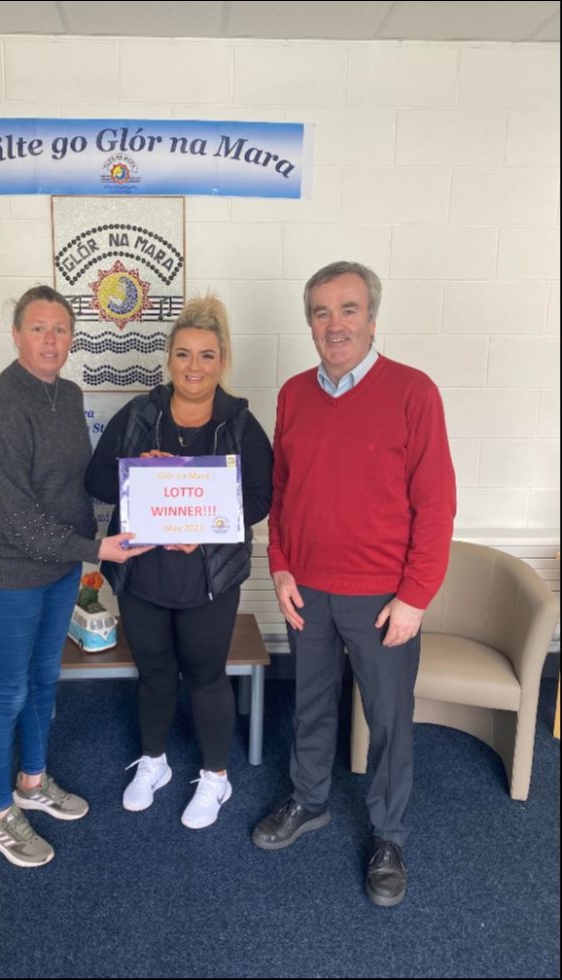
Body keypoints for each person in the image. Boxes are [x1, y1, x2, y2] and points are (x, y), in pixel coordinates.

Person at [251, 262, 456, 907]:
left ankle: (389, 836)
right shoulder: (291, 395)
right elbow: (283, 492)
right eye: (321, 312)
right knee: (310, 704)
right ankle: (309, 800)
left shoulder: (413, 393)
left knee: (390, 719)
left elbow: (437, 504)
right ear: (309, 323)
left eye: (348, 310)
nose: (334, 325)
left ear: (371, 318)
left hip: (383, 597)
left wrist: (416, 596)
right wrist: (280, 564)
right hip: (306, 588)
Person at [0, 285, 150, 868]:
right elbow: (15, 516)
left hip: (58, 567)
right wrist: (97, 548)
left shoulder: (68, 394)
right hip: (3, 571)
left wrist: (140, 485)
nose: (50, 339)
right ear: (16, 335)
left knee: (44, 681)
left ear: (72, 339)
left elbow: (78, 483)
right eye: (38, 328)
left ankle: (32, 783)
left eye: (61, 329)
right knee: (7, 691)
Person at [86, 294, 273, 829]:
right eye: (185, 354)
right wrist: (132, 468)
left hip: (210, 576)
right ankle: (155, 763)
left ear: (223, 361)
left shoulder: (240, 424)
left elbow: (262, 498)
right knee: (155, 673)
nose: (195, 367)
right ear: (169, 359)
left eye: (207, 356)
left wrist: (209, 530)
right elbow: (96, 479)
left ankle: (216, 776)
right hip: (143, 573)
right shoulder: (140, 414)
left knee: (206, 675)